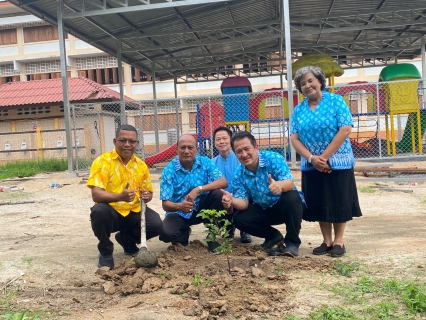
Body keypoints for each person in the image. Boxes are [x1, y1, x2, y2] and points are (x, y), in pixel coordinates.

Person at [290, 65, 362, 258]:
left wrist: (325, 157)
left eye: (310, 80)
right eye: (302, 83)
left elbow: (345, 129)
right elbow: (294, 138)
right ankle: (326, 240)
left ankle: (339, 241)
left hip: (338, 161)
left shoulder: (336, 101)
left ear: (320, 81)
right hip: (312, 164)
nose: (307, 85)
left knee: (338, 199)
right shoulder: (298, 110)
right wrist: (312, 158)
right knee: (320, 200)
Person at [87, 124, 163, 269]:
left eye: (131, 141)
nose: (127, 144)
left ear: (137, 144)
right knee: (99, 211)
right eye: (122, 140)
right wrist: (120, 197)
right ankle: (105, 252)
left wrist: (148, 196)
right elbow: (96, 195)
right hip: (111, 212)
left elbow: (149, 193)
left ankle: (126, 240)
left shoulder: (141, 166)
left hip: (134, 211)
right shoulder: (102, 162)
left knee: (157, 225)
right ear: (115, 141)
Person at [221, 131, 305, 257]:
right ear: (235, 153)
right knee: (239, 218)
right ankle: (273, 236)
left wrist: (280, 185)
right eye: (239, 151)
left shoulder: (273, 159)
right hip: (264, 210)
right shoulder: (238, 174)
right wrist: (231, 201)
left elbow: (290, 183)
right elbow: (243, 203)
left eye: (247, 149)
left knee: (291, 196)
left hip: (285, 208)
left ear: (256, 147)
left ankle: (292, 243)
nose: (244, 154)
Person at [159, 134, 229, 254]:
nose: (186, 151)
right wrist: (180, 206)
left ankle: (212, 237)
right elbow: (165, 204)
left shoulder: (205, 162)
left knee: (218, 194)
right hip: (179, 211)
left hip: (202, 209)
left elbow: (223, 182)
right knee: (166, 234)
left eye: (190, 147)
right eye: (183, 147)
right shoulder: (169, 170)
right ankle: (184, 233)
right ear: (176, 150)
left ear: (197, 149)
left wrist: (198, 189)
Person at [212, 126, 252, 243]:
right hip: (223, 200)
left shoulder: (242, 158)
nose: (222, 141)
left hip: (241, 198)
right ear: (214, 143)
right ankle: (228, 226)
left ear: (231, 141)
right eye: (218, 139)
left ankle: (245, 229)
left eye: (225, 138)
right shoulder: (211, 163)